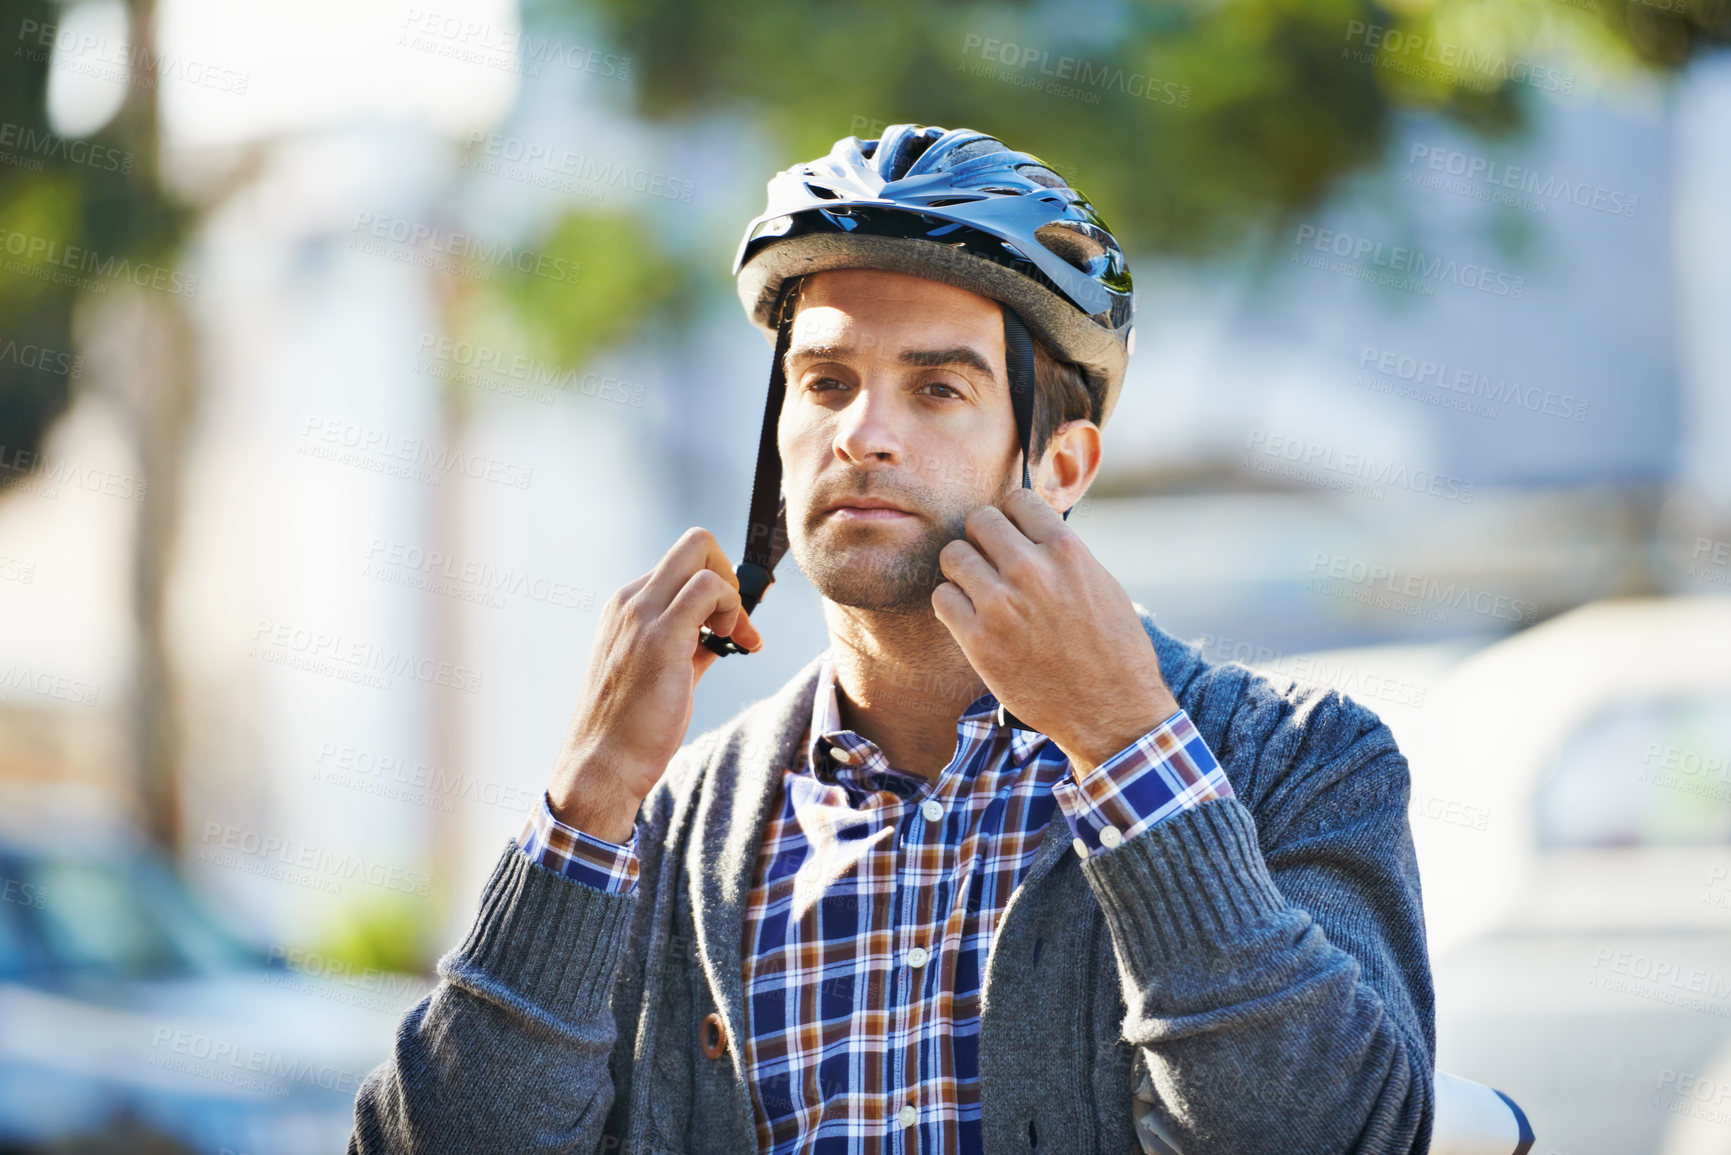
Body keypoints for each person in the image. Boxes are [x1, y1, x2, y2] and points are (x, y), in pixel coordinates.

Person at [349, 124, 1435, 1155]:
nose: (862, 435)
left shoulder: (1303, 766)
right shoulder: (667, 832)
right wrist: (585, 806)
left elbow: (1337, 1131)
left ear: (1060, 468)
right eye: (824, 383)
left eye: (936, 387)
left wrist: (1124, 741)